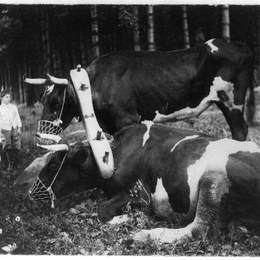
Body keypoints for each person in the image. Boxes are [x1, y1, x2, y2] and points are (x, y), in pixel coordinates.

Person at [0, 90, 22, 171]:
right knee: (7, 147)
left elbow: (17, 117)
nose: (9, 98)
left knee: (16, 146)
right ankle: (9, 164)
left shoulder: (13, 106)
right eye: (6, 97)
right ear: (1, 98)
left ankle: (16, 163)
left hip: (14, 128)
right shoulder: (0, 108)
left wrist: (19, 128)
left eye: (9, 97)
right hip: (5, 129)